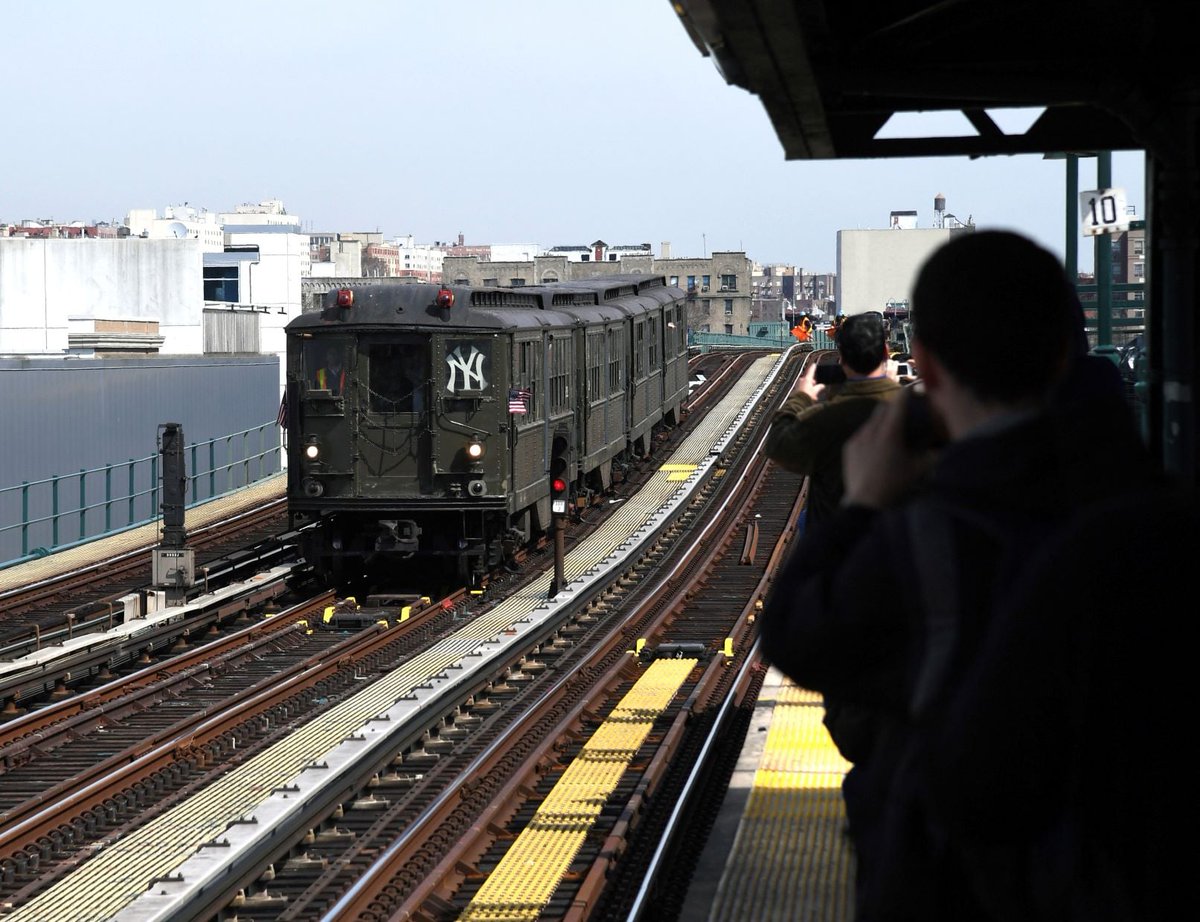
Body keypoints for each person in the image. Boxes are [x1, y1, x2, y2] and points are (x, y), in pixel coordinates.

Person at [759, 229, 1194, 920]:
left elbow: (797, 634)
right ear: (1064, 350)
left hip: (955, 881)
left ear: (925, 364)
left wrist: (866, 502)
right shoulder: (1160, 520)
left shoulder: (929, 532)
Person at [763, 309, 903, 865]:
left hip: (842, 581)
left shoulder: (828, 422)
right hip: (906, 582)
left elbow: (780, 444)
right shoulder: (913, 413)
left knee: (852, 701)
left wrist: (802, 395)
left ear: (839, 357)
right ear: (889, 351)